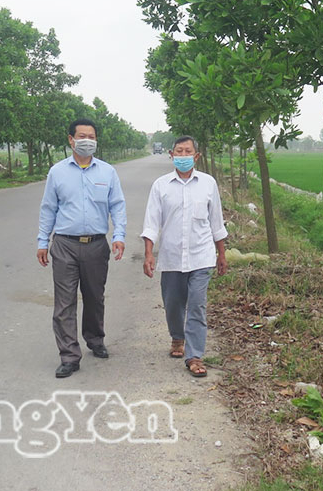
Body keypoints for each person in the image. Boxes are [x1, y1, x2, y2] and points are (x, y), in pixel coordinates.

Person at [37, 118, 126, 378]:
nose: (87, 140)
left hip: (96, 245)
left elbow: (117, 206)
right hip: (65, 244)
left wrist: (119, 235)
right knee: (64, 303)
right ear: (71, 140)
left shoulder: (107, 172)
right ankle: (69, 355)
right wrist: (43, 241)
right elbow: (48, 208)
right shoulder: (57, 172)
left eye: (91, 136)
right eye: (82, 136)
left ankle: (95, 338)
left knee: (94, 297)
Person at [141, 135, 228, 378]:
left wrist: (221, 253)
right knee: (173, 303)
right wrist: (149, 253)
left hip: (202, 257)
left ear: (196, 156)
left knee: (197, 305)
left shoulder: (208, 184)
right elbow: (151, 222)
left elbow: (216, 222)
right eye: (178, 151)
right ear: (171, 155)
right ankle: (177, 337)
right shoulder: (161, 186)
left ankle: (194, 355)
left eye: (187, 151)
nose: (183, 156)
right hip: (171, 257)